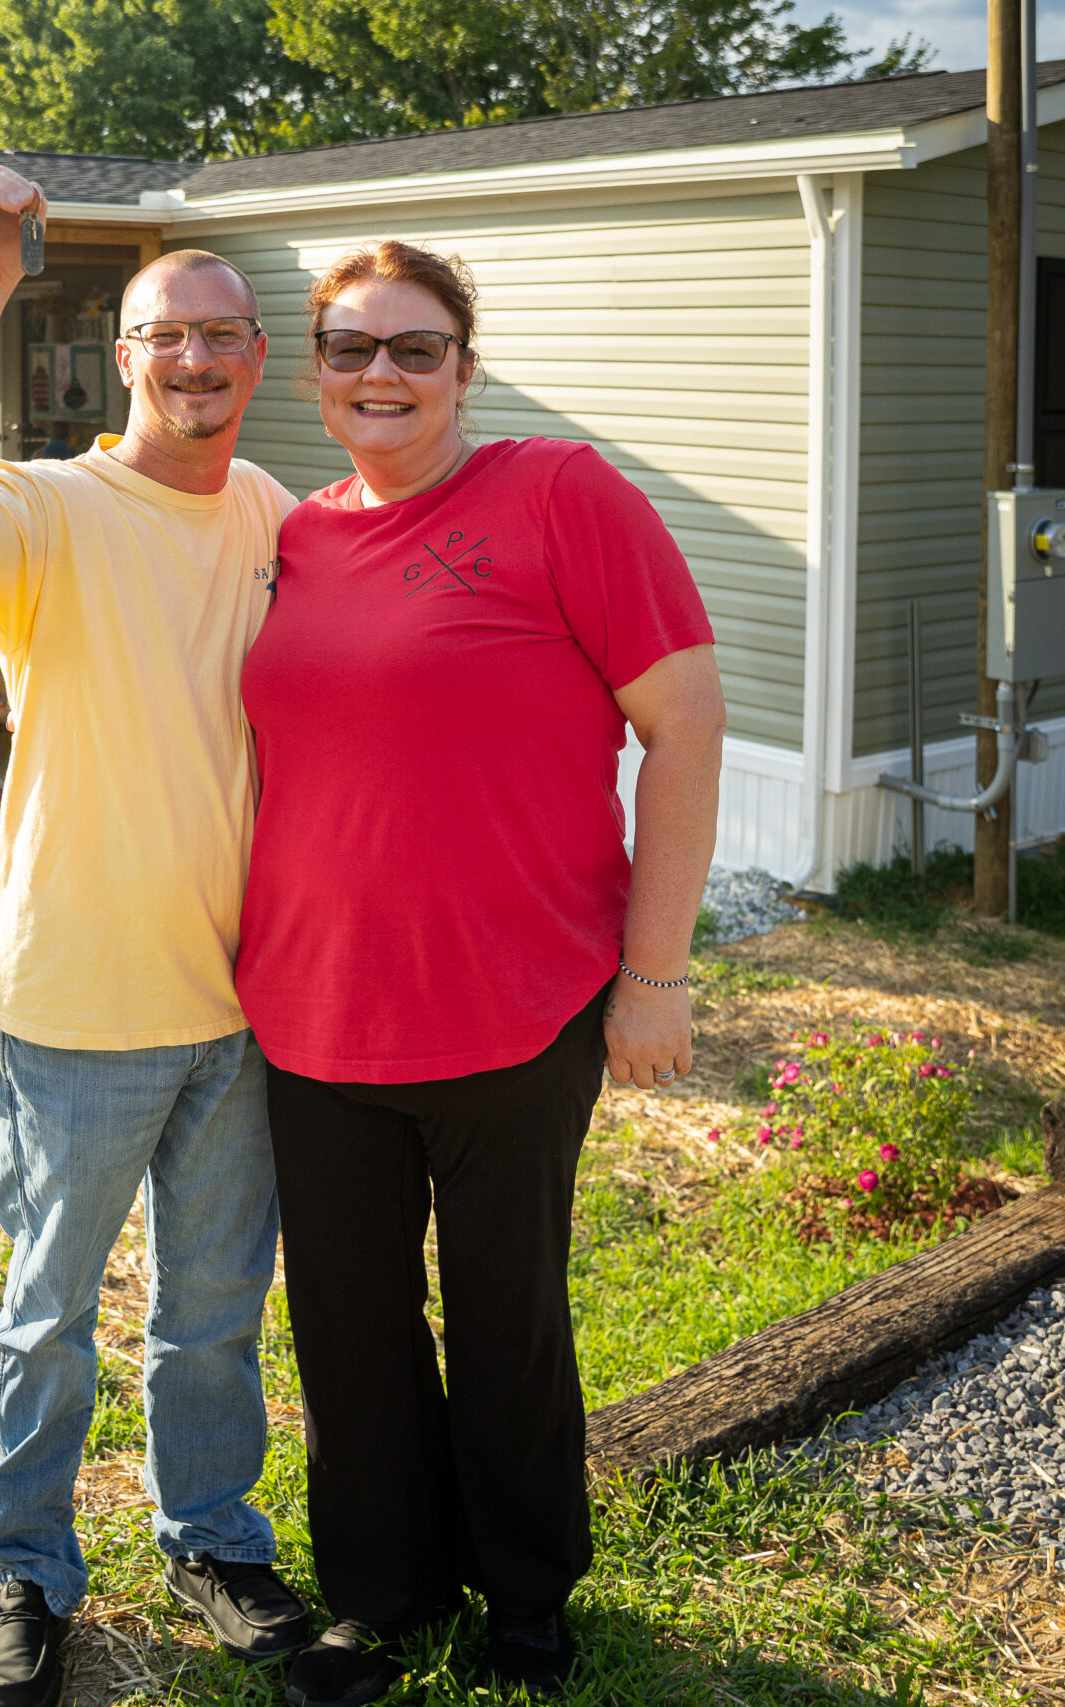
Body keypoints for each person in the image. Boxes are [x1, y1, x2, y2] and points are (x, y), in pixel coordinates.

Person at [235, 240, 725, 1707]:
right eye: (347, 346)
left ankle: (526, 1594)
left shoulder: (562, 496)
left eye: (415, 348)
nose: (379, 374)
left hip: (519, 1007)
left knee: (507, 1322)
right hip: (314, 1013)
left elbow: (687, 730)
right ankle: (381, 1594)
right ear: (314, 370)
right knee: (347, 1328)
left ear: (467, 365)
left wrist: (656, 974)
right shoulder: (295, 536)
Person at [0, 166, 312, 1707]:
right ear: (125, 357)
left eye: (223, 336)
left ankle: (214, 1541)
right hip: (71, 1007)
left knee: (212, 1322)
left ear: (258, 361)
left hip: (244, 1011)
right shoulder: (49, 514)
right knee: (46, 1322)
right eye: (164, 334)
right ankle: (29, 1577)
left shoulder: (279, 523)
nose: (195, 359)